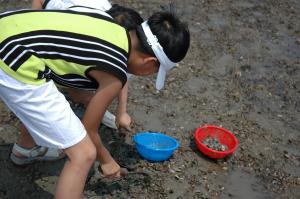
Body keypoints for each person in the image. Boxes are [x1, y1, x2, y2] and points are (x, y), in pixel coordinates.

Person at [0, 5, 190, 198]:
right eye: (155, 72)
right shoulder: (114, 71)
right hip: (13, 58)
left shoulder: (109, 23)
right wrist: (106, 160)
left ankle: (25, 150)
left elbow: (62, 55)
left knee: (53, 103)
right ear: (149, 62)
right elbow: (89, 130)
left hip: (7, 27)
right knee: (84, 154)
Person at [32, 0, 137, 131]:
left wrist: (121, 111)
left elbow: (121, 70)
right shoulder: (75, 22)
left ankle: (94, 106)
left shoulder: (118, 20)